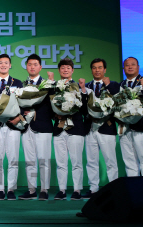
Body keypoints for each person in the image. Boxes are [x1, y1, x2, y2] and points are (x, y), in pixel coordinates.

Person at [0, 54, 24, 201]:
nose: (3, 65)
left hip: (13, 125)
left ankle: (11, 189)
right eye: (0, 63)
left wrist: (17, 118)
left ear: (10, 65)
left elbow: (22, 103)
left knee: (13, 159)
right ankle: (0, 189)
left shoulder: (17, 82)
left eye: (6, 63)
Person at [18, 54, 55, 201]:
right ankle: (32, 189)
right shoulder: (22, 84)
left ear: (40, 67)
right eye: (29, 64)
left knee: (44, 159)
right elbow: (17, 104)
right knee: (29, 161)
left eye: (35, 64)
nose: (32, 67)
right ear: (26, 66)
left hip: (43, 126)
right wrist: (23, 112)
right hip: (27, 127)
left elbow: (54, 104)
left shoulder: (48, 84)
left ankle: (44, 189)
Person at [82, 58, 120, 199]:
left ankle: (113, 189)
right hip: (90, 128)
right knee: (91, 161)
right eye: (94, 68)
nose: (97, 70)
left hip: (107, 127)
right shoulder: (86, 86)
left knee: (110, 160)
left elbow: (118, 101)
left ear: (105, 70)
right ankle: (93, 189)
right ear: (91, 70)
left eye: (100, 67)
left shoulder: (114, 85)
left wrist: (108, 84)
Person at [52, 58, 89, 201]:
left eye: (68, 68)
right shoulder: (54, 86)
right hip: (59, 128)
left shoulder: (79, 86)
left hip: (76, 128)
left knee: (76, 161)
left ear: (72, 70)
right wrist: (55, 113)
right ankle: (61, 190)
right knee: (61, 162)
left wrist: (83, 92)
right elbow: (49, 106)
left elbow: (85, 108)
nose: (65, 70)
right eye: (62, 68)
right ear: (59, 70)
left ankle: (77, 190)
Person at [119, 57, 143, 178]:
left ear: (138, 67)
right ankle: (133, 188)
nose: (130, 67)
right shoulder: (121, 85)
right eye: (127, 65)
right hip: (125, 128)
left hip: (142, 127)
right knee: (129, 161)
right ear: (123, 68)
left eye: (133, 64)